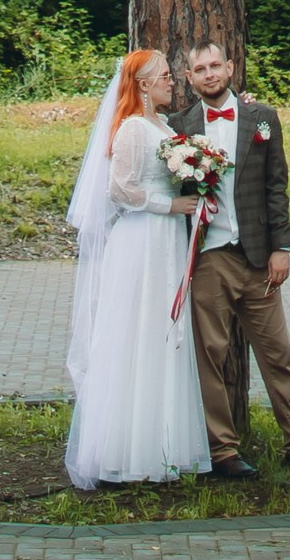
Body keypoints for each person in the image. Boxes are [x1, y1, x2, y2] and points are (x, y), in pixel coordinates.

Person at [169, 36, 290, 480]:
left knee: (278, 354)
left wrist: (282, 247)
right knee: (210, 356)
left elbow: (277, 186)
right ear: (189, 77)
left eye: (216, 66)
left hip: (257, 256)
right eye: (201, 70)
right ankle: (223, 451)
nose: (210, 74)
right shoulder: (177, 126)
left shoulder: (263, 119)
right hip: (208, 259)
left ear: (231, 67)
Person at [61, 46, 212, 490]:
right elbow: (119, 190)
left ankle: (161, 446)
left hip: (166, 240)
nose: (172, 80)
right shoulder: (131, 129)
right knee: (136, 334)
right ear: (143, 84)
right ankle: (124, 450)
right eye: (164, 75)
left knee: (163, 336)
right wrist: (171, 204)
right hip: (142, 239)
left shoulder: (162, 125)